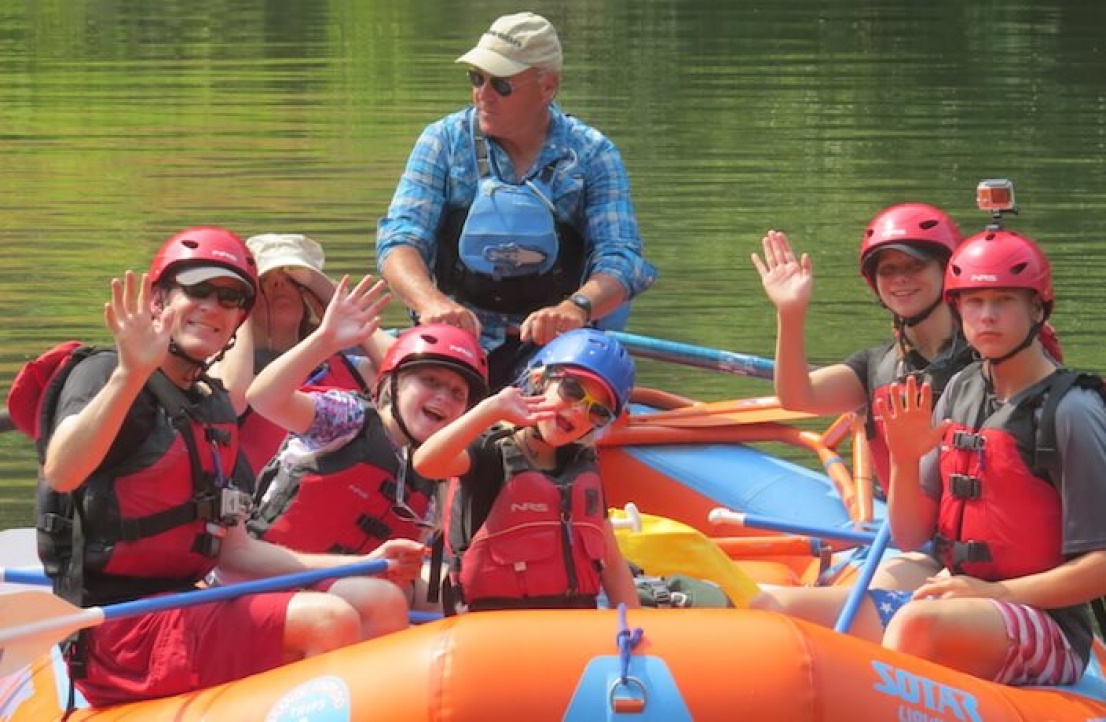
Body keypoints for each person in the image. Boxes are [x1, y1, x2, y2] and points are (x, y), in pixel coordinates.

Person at [36, 226, 424, 707]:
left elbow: (237, 555)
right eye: (197, 290)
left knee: (380, 599)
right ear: (158, 299)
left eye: (230, 298)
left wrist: (369, 564)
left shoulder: (212, 407)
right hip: (115, 632)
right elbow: (63, 471)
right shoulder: (104, 374)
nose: (212, 307)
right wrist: (128, 374)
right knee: (327, 619)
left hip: (186, 603)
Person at [752, 228, 1106, 686]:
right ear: (958, 308)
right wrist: (902, 459)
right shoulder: (959, 391)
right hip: (958, 590)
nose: (988, 316)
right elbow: (911, 532)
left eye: (1004, 301)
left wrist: (993, 591)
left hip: (1046, 623)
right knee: (776, 609)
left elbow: (1100, 566)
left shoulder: (1073, 411)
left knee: (915, 626)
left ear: (1037, 308)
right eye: (975, 303)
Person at [376, 11, 657, 390]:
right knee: (430, 394)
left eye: (501, 85)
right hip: (457, 340)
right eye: (477, 79)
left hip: (554, 346)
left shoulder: (593, 154)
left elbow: (623, 259)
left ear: (548, 87)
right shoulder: (443, 141)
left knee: (567, 397)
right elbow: (400, 241)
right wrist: (430, 304)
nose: (482, 95)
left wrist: (576, 308)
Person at [244, 274, 489, 568]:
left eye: (457, 393)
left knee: (440, 591)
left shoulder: (438, 471)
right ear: (391, 385)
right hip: (265, 574)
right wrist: (325, 340)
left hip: (352, 590)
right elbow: (264, 399)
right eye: (430, 381)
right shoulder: (347, 417)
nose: (443, 397)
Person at [753, 204, 973, 510]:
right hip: (910, 536)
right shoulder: (875, 365)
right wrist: (790, 312)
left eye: (915, 265)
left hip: (973, 534)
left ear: (947, 270)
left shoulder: (988, 358)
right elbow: (797, 397)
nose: (900, 279)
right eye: (888, 270)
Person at [412, 328, 639, 613]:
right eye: (572, 390)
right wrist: (491, 409)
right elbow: (426, 463)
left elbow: (613, 565)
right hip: (492, 627)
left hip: (575, 627)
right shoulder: (491, 452)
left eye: (598, 412)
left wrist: (632, 631)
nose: (580, 412)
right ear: (538, 380)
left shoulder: (583, 467)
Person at [210, 233, 393, 476]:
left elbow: (408, 369)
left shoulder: (352, 369)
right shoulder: (217, 366)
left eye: (291, 281)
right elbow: (233, 398)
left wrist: (324, 290)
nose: (278, 285)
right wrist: (241, 304)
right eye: (264, 281)